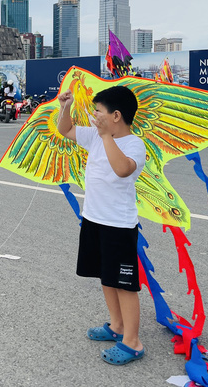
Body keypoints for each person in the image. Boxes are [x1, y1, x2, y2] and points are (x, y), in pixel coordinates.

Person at [57, 85, 147, 365]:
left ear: (116, 115)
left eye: (99, 111)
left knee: (124, 284)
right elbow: (65, 130)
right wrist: (65, 107)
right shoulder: (96, 136)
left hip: (118, 226)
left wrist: (106, 136)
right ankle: (116, 326)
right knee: (105, 277)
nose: (94, 115)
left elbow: (122, 170)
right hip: (94, 219)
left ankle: (133, 342)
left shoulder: (134, 144)